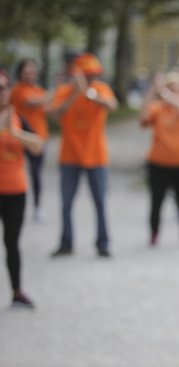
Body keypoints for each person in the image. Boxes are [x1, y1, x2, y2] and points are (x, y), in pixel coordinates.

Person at [49, 53, 118, 258]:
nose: (91, 78)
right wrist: (75, 94)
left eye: (93, 74)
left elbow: (112, 105)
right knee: (67, 203)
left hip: (96, 157)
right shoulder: (64, 91)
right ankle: (66, 243)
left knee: (100, 203)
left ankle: (103, 244)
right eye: (87, 74)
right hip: (70, 156)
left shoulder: (100, 89)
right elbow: (55, 114)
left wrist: (90, 94)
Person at [140, 72, 179, 246]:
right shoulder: (159, 108)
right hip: (159, 162)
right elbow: (143, 118)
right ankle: (153, 233)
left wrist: (165, 94)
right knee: (156, 200)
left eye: (176, 86)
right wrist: (152, 92)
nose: (173, 90)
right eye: (170, 86)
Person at [0, 70, 44, 307]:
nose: (2, 92)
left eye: (5, 87)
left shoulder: (17, 117)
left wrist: (15, 133)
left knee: (12, 243)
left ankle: (17, 291)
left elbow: (38, 146)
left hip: (15, 190)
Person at [10, 58, 50, 222]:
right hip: (19, 137)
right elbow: (32, 103)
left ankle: (37, 207)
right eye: (27, 70)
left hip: (38, 136)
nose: (30, 73)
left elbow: (49, 108)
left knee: (36, 173)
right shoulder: (17, 90)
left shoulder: (39, 90)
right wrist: (58, 92)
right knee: (15, 170)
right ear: (20, 73)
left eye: (32, 70)